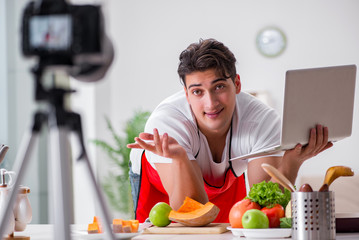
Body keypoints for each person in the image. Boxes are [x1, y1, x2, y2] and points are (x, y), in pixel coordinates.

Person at [127, 38, 333, 222]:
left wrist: (292, 162)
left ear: (237, 84)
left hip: (226, 183)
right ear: (186, 95)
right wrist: (180, 157)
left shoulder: (262, 120)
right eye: (197, 92)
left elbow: (265, 208)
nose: (211, 103)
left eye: (219, 87)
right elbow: (190, 213)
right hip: (162, 184)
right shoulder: (168, 123)